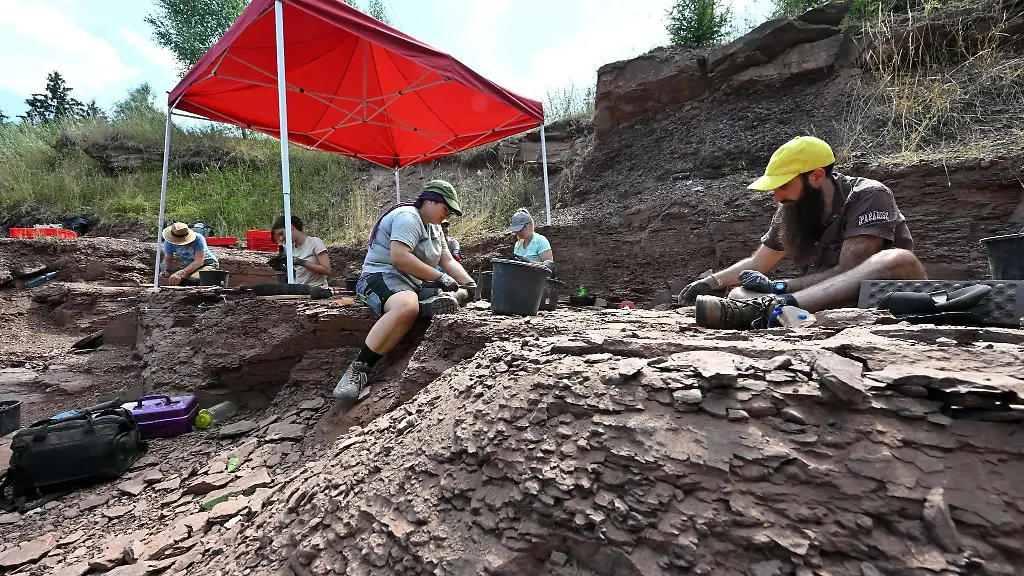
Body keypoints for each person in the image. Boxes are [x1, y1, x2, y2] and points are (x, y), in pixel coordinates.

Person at [677, 136, 926, 329]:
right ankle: (776, 312)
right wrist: (712, 282)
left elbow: (848, 271)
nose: (776, 196)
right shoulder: (791, 209)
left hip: (884, 295)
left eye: (783, 186)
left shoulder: (869, 195)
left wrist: (778, 288)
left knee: (896, 259)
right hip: (819, 301)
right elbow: (757, 262)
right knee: (739, 292)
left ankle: (774, 310)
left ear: (816, 176)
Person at [333, 180, 476, 407]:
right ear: (430, 200)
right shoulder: (407, 217)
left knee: (435, 295)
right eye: (445, 208)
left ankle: (432, 302)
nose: (447, 214)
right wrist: (439, 277)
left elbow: (446, 260)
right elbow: (400, 257)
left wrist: (469, 284)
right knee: (407, 306)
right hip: (381, 275)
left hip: (413, 281)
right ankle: (358, 370)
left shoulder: (435, 227)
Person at [270, 215, 332, 288]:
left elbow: (327, 270)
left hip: (318, 289)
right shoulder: (290, 249)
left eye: (281, 233)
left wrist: (302, 262)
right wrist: (281, 268)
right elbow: (297, 274)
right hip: (300, 290)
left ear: (291, 227)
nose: (281, 238)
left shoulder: (315, 243)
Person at [507, 208, 555, 274]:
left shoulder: (540, 241)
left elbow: (550, 268)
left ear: (528, 226)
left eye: (520, 230)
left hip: (538, 281)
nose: (517, 233)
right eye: (515, 231)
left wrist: (528, 262)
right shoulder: (518, 245)